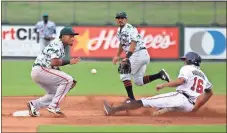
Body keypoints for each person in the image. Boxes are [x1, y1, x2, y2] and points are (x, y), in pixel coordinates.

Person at [104, 52, 213, 116]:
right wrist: (196, 108)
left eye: (186, 60)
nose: (184, 61)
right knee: (159, 113)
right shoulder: (203, 76)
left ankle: (113, 110)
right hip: (189, 106)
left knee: (144, 101)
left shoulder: (187, 68)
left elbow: (181, 81)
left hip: (180, 98)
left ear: (190, 61)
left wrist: (164, 85)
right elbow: (209, 93)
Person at [113, 12, 170, 103]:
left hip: (138, 54)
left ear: (126, 19)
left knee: (124, 74)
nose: (120, 19)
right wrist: (117, 55)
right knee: (138, 81)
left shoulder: (130, 29)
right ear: (116, 19)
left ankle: (132, 100)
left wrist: (127, 57)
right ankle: (160, 75)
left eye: (122, 18)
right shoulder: (119, 31)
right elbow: (121, 43)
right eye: (118, 18)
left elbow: (133, 43)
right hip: (141, 55)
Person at [27, 27, 80, 117]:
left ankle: (34, 105)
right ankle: (53, 107)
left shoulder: (60, 46)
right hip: (41, 70)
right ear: (63, 37)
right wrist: (69, 62)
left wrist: (61, 75)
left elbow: (53, 66)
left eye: (73, 36)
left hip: (40, 71)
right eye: (70, 36)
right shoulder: (57, 45)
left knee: (56, 92)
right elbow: (54, 62)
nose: (73, 38)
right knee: (68, 79)